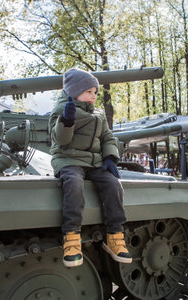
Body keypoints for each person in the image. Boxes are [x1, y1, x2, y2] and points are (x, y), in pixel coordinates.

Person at [49, 68, 132, 267]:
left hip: (94, 162)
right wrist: (67, 121)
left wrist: (110, 157)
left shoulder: (99, 114)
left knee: (113, 185)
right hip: (68, 159)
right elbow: (60, 140)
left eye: (95, 92)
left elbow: (107, 137)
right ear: (74, 92)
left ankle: (115, 235)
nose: (93, 95)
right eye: (88, 91)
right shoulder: (61, 110)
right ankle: (71, 237)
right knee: (74, 184)